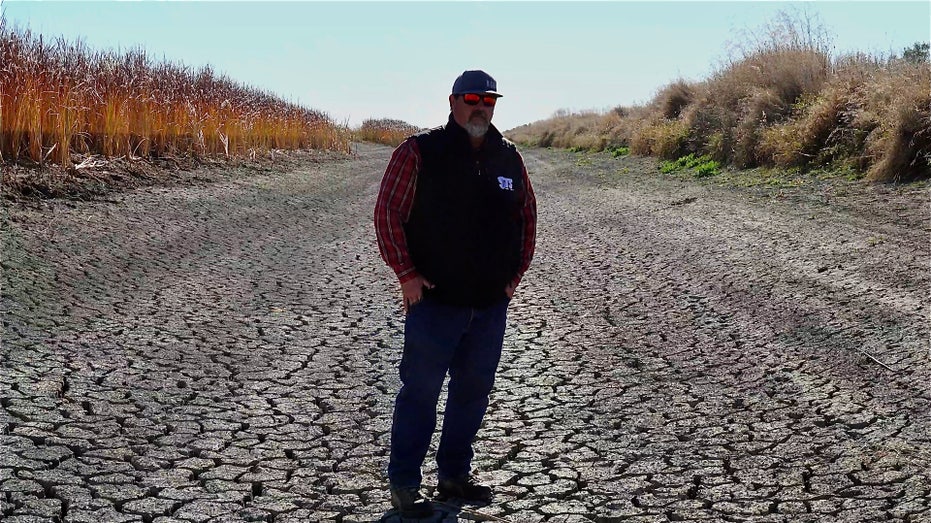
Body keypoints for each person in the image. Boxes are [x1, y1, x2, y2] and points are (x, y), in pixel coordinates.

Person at [374, 69, 537, 517]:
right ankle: (406, 486)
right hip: (434, 304)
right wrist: (406, 274)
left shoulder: (509, 158)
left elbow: (527, 218)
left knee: (473, 392)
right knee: (420, 393)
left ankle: (453, 477)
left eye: (489, 100)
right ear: (452, 102)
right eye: (471, 98)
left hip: (488, 307)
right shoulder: (420, 151)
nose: (480, 106)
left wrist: (513, 277)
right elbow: (388, 212)